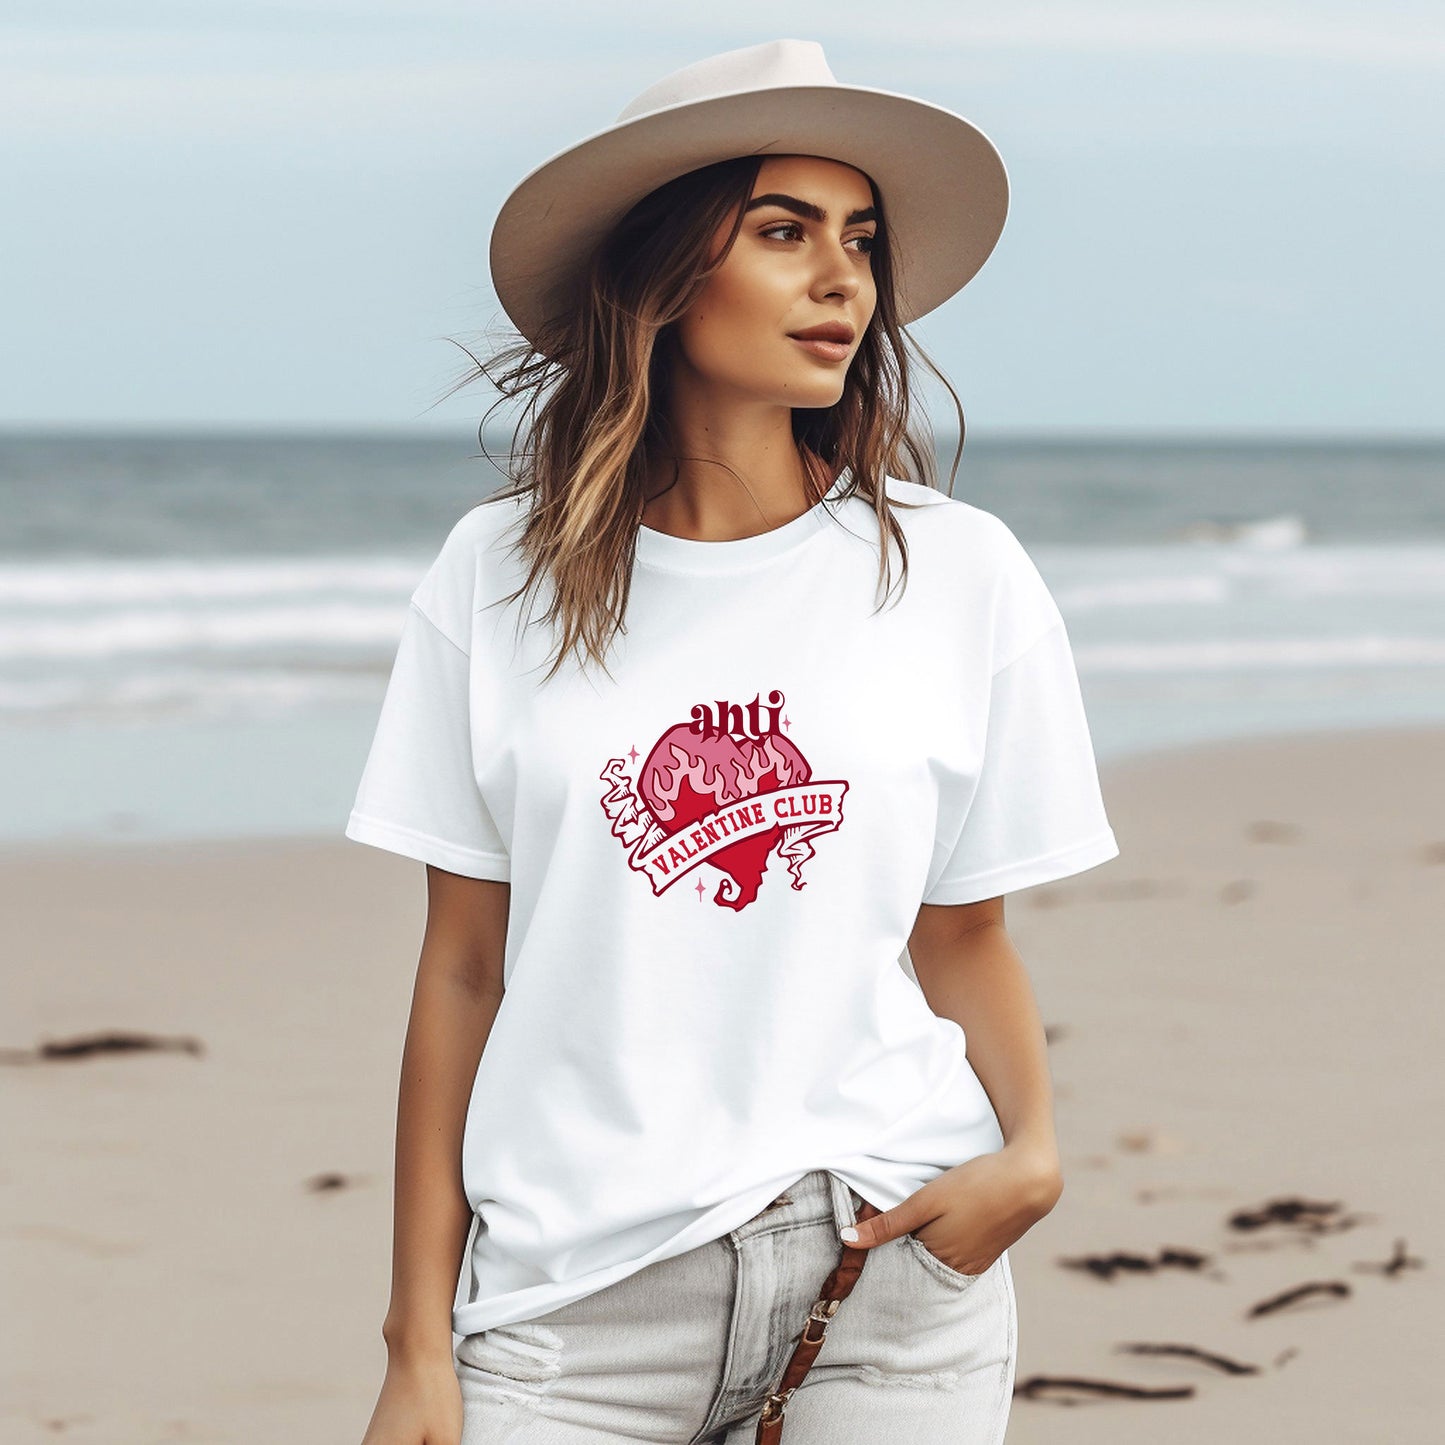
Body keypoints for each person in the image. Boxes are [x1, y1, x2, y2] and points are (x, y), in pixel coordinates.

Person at [346, 38, 1119, 1445]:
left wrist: (1033, 1155)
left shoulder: (958, 573)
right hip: (570, 1302)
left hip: (885, 1271)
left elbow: (963, 935)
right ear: (661, 273)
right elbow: (461, 967)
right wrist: (416, 1341)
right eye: (781, 231)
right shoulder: (495, 576)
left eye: (860, 240)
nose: (841, 278)